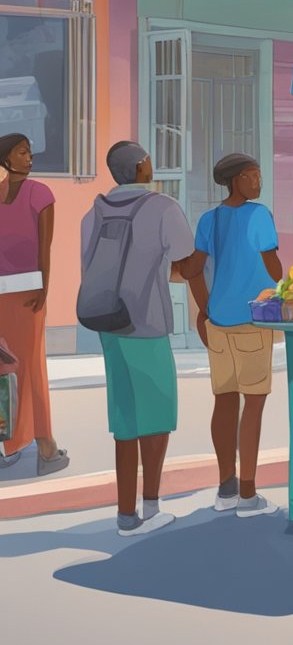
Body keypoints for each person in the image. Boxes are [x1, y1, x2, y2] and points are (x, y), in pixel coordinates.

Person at [80, 142, 196, 536]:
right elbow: (185, 257)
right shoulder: (162, 207)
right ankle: (151, 507)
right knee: (158, 416)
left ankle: (124, 513)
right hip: (145, 322)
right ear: (143, 166)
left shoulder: (92, 213)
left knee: (125, 419)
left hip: (107, 321)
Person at [184, 154, 284, 518]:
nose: (258, 182)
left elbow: (193, 268)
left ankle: (225, 487)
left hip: (219, 321)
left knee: (224, 401)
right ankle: (248, 494)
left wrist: (204, 309)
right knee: (253, 404)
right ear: (235, 180)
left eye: (258, 175)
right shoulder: (259, 215)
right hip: (252, 319)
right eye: (251, 176)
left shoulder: (209, 219)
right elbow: (274, 268)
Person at [0, 133, 67, 475]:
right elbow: (45, 247)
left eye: (29, 152)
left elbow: (44, 245)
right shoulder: (38, 193)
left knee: (11, 366)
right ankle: (41, 445)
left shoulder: (33, 192)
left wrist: (42, 288)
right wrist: (45, 288)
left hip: (16, 294)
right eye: (22, 153)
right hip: (24, 293)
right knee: (28, 368)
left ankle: (18, 444)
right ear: (6, 159)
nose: (30, 158)